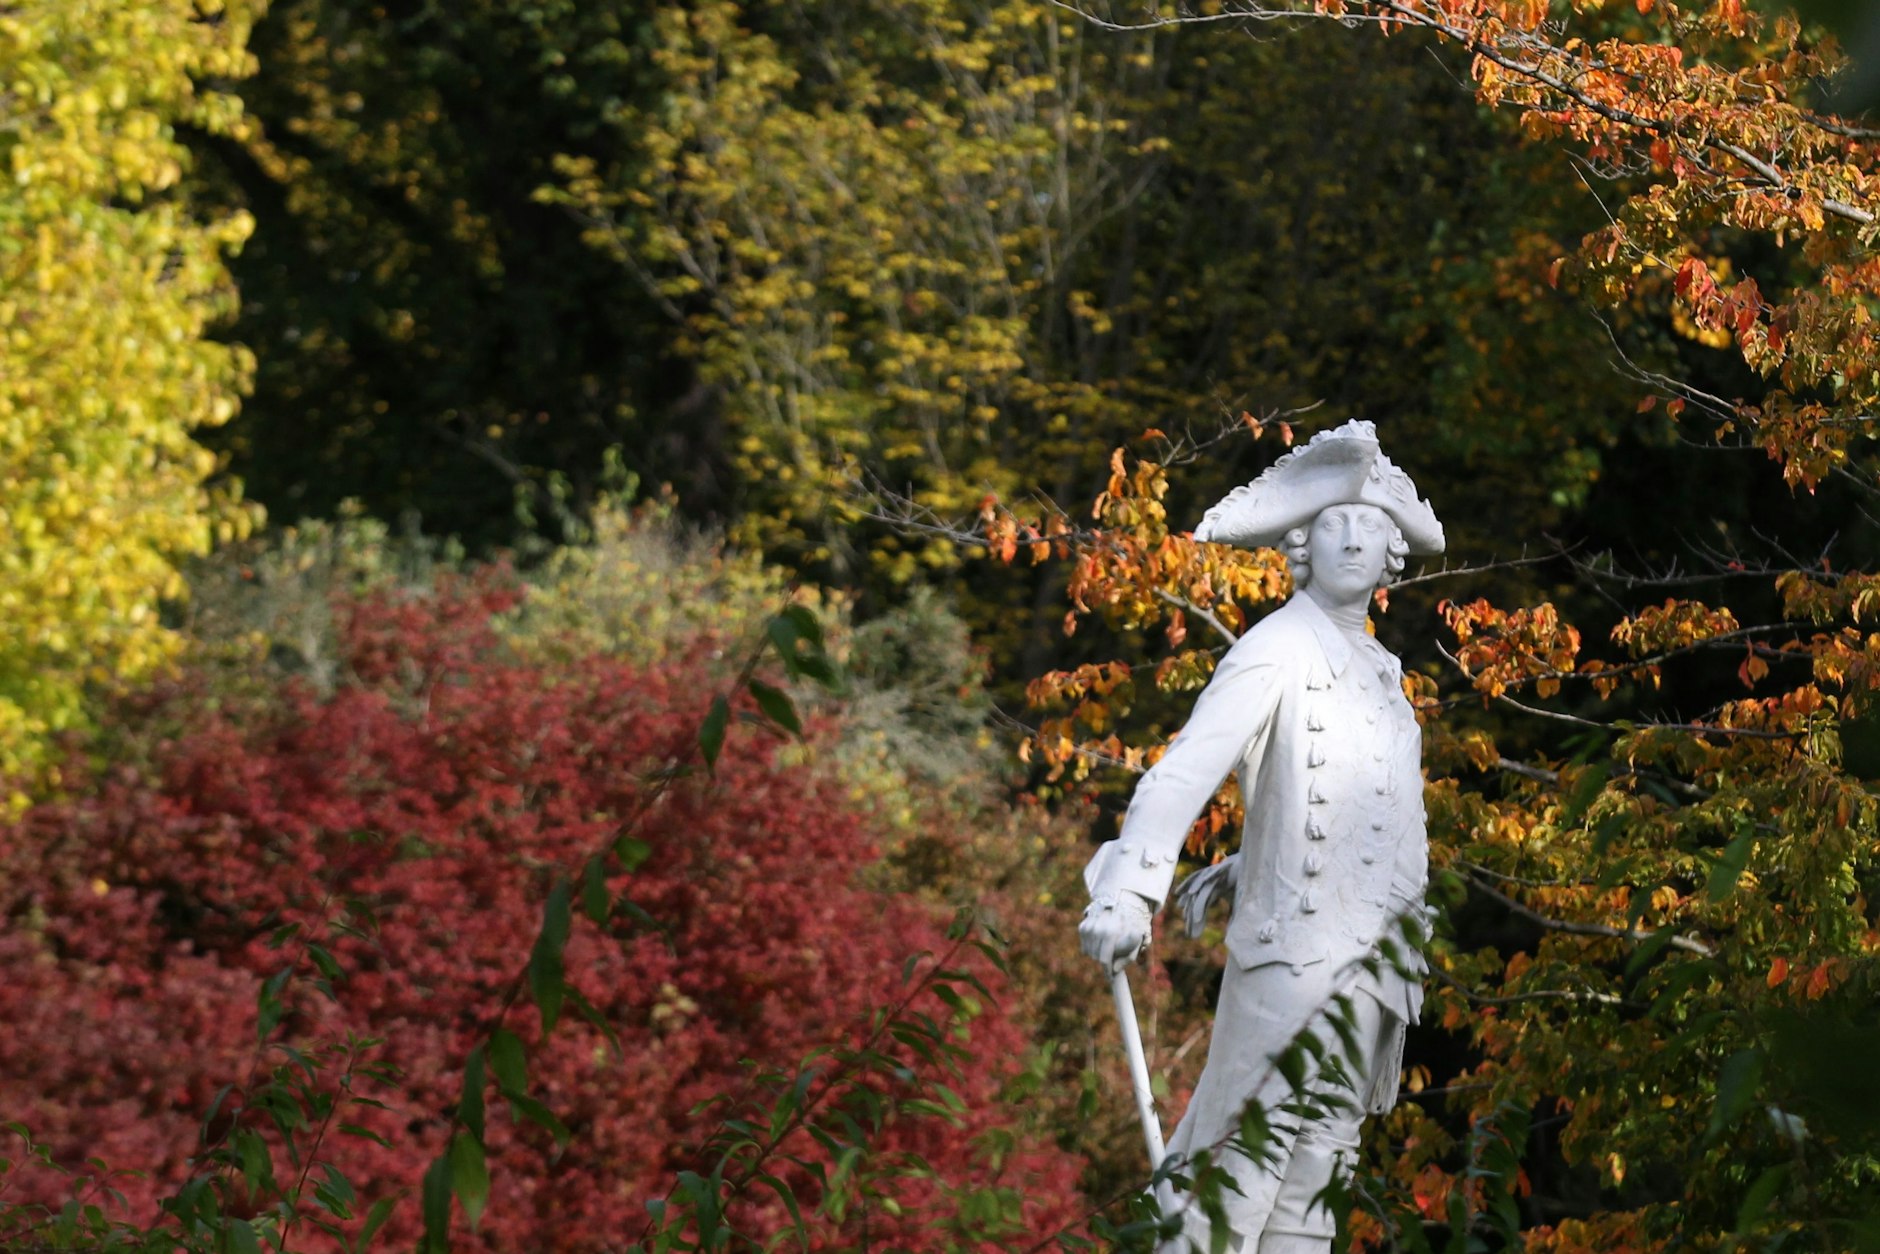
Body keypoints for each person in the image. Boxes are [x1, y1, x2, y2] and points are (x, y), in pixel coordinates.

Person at [1077, 420, 1445, 1253]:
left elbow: (1365, 813)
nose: (1355, 536)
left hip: (1378, 972)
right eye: (1334, 523)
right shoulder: (1275, 647)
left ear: (1392, 557)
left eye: (1373, 525)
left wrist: (1259, 854)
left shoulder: (1385, 678)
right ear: (1302, 546)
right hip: (1292, 961)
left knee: (1317, 1184)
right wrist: (1130, 891)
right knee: (1238, 1169)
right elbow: (1184, 771)